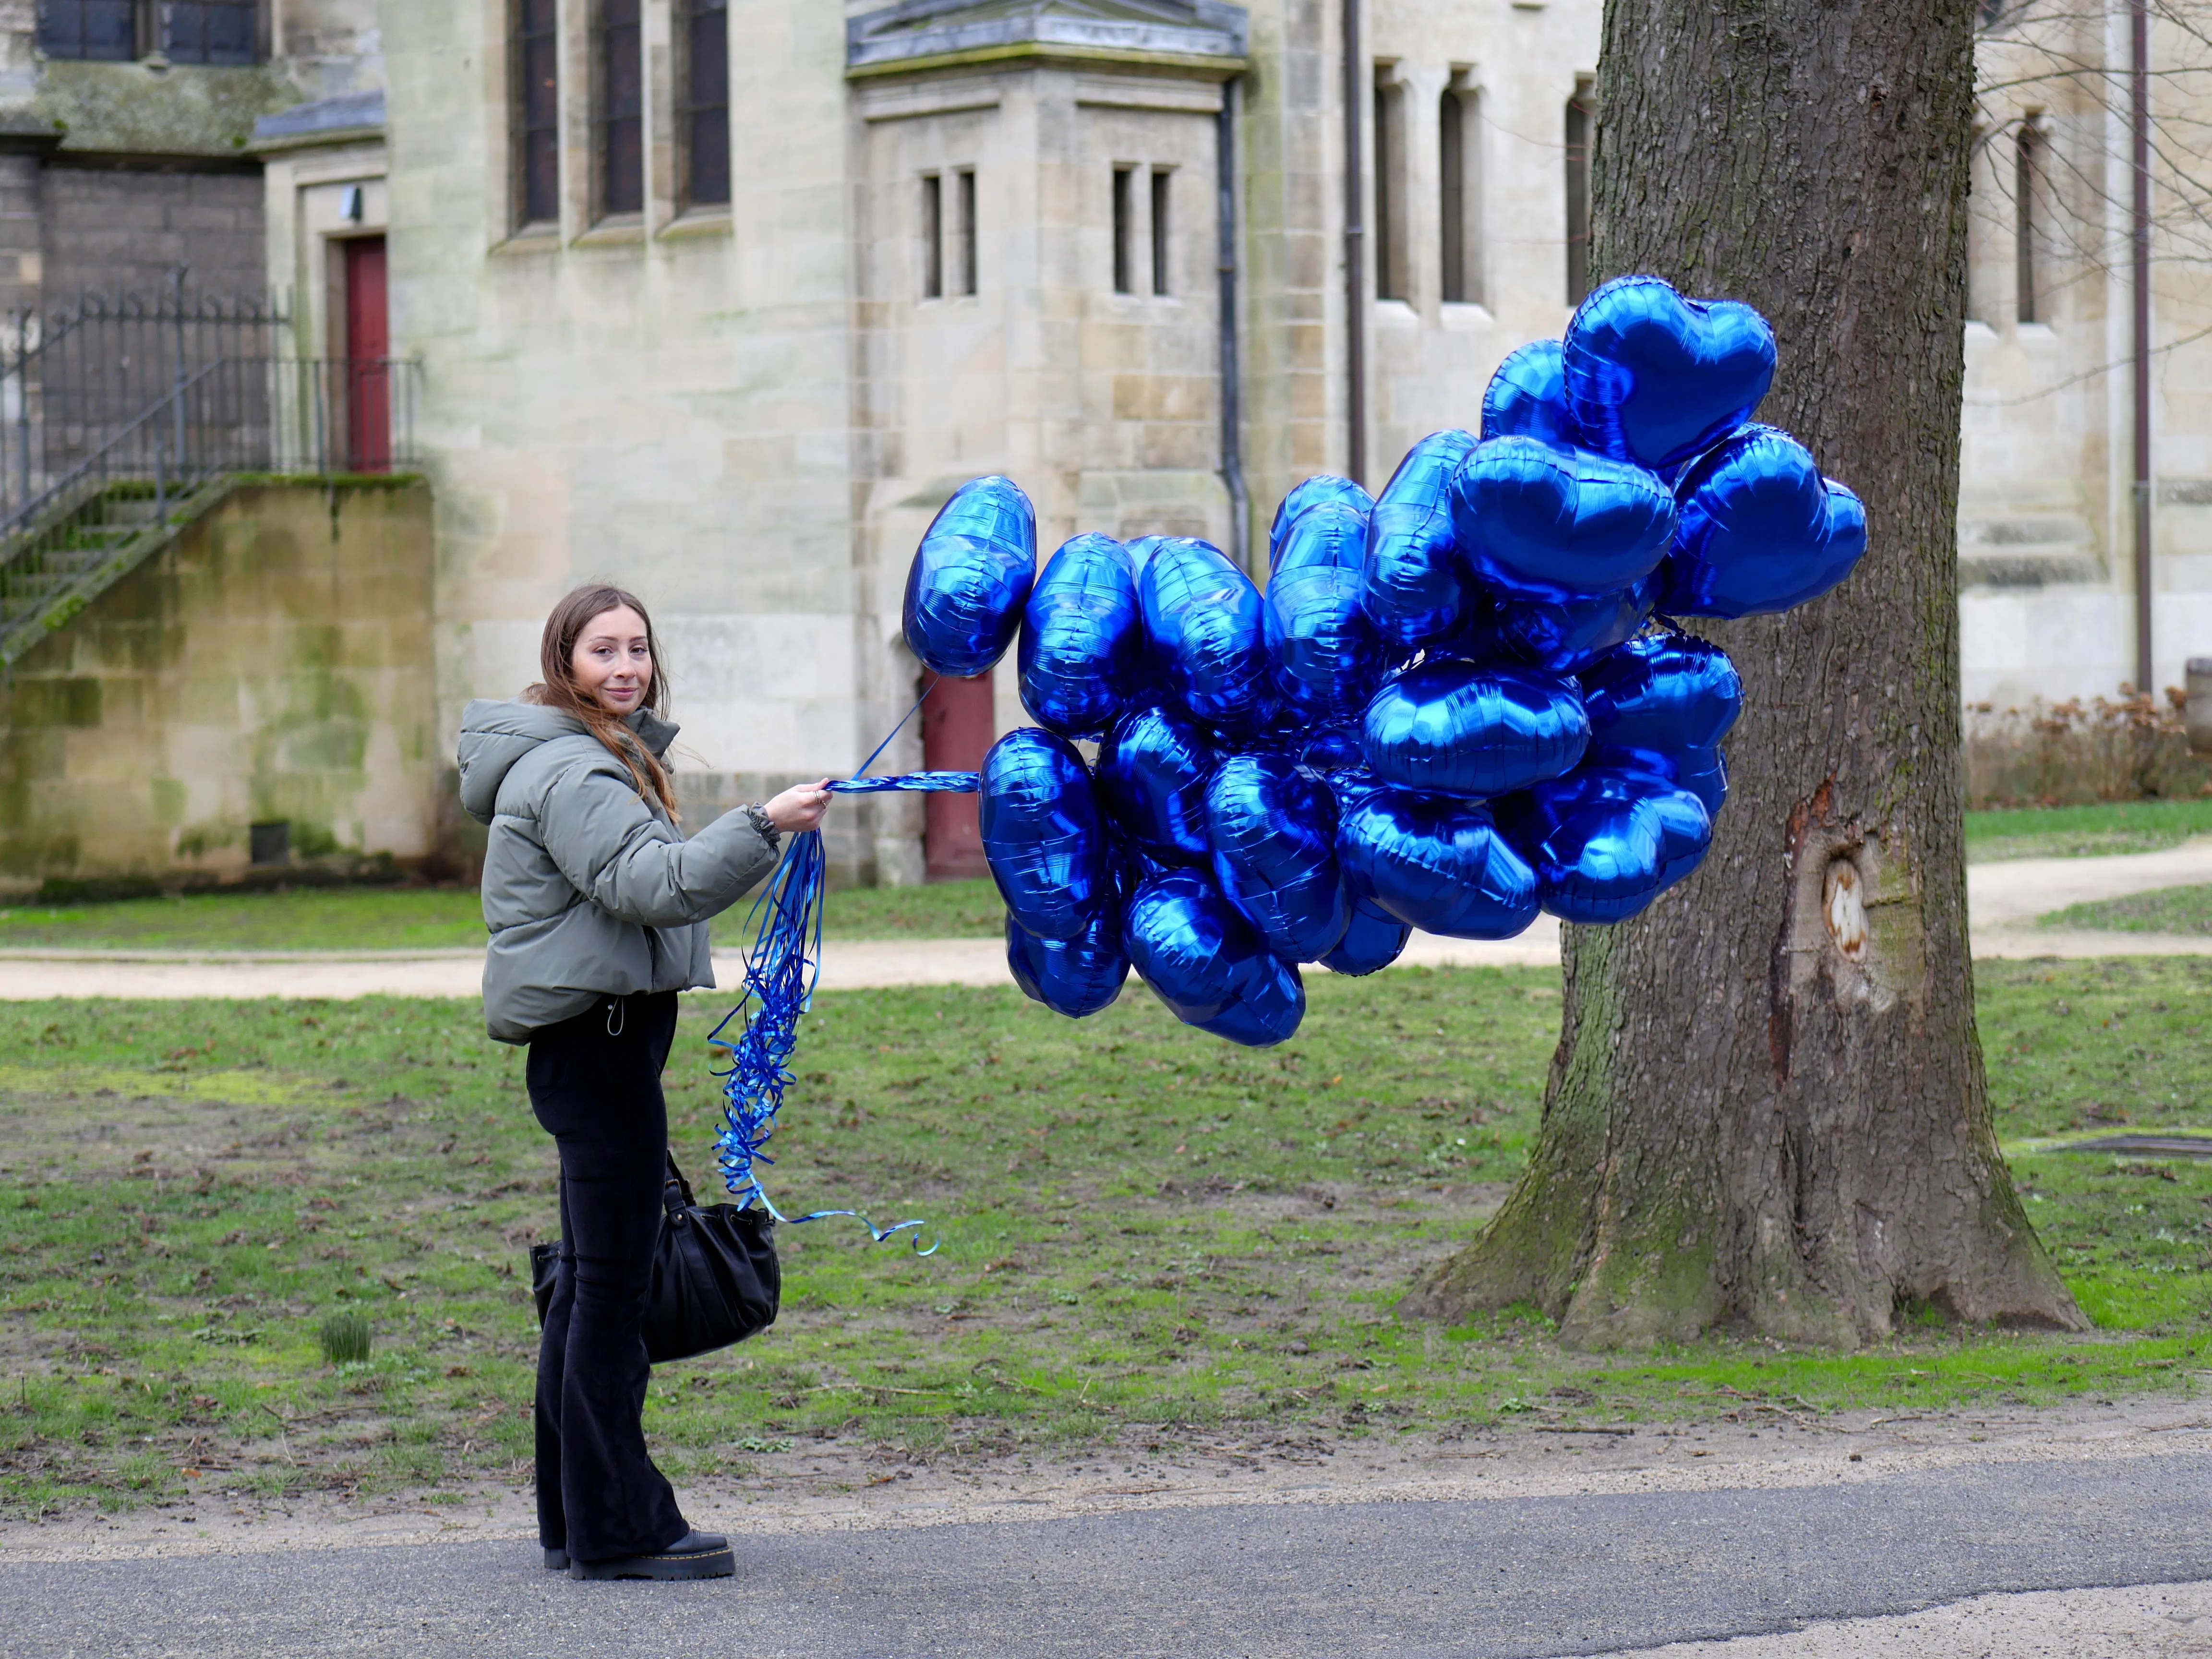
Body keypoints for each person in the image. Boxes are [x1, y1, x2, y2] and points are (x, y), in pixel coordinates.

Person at [456, 583, 830, 1582]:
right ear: (563, 662)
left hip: (607, 1046)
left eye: (639, 650)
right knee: (611, 1295)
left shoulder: (599, 755)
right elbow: (650, 885)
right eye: (602, 651)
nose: (626, 667)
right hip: (599, 1047)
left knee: (588, 1287)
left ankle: (574, 1518)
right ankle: (620, 1527)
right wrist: (765, 822)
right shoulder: (574, 772)